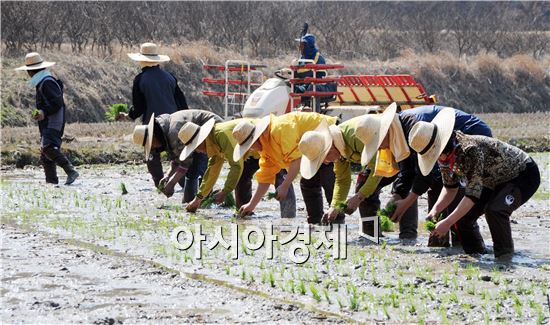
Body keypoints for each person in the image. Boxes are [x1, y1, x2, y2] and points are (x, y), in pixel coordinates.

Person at [408, 110, 540, 258]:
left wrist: (447, 222)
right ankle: (477, 254)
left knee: (495, 210)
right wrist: (435, 211)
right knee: (463, 220)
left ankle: (504, 258)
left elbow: (471, 195)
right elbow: (450, 188)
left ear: (441, 147)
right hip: (491, 179)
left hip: (522, 173)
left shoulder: (469, 149)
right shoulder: (445, 158)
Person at [388, 105, 492, 242]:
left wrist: (407, 202)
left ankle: (463, 242)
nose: (381, 147)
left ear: (386, 133)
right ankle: (439, 239)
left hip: (471, 132)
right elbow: (408, 170)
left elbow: (426, 174)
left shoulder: (414, 126)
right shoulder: (399, 132)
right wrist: (397, 194)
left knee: (455, 188)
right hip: (443, 146)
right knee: (442, 181)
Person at [300, 104, 409, 232]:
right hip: (380, 159)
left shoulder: (356, 137)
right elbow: (342, 180)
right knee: (363, 187)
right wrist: (334, 206)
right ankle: (371, 235)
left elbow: (376, 170)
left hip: (397, 147)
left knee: (404, 184)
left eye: (323, 159)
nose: (325, 163)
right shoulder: (338, 151)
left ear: (329, 148)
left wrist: (359, 197)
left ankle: (408, 234)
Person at [233, 112, 337, 222]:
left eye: (250, 146)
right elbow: (265, 178)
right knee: (308, 183)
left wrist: (285, 185)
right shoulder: (266, 149)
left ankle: (337, 219)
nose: (251, 149)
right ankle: (316, 222)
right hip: (313, 149)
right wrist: (251, 205)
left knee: (328, 178)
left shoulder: (279, 129)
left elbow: (296, 159)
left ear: (256, 138)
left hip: (327, 135)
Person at [122, 42, 190, 187]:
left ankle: (160, 184)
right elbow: (182, 103)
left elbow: (139, 107)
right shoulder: (170, 77)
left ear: (141, 60)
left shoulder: (140, 79)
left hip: (152, 123)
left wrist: (130, 115)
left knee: (152, 155)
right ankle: (184, 185)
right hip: (174, 122)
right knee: (178, 156)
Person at [15, 52, 79, 185]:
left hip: (53, 122)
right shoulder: (43, 81)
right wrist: (41, 113)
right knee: (45, 156)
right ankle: (51, 183)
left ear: (32, 71)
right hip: (49, 122)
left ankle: (70, 170)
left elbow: (57, 103)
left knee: (48, 148)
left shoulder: (47, 82)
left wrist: (43, 112)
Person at [132, 109, 222, 202]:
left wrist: (172, 183)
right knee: (194, 170)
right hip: (198, 133)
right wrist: (168, 176)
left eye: (152, 144)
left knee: (196, 168)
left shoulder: (173, 133)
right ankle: (199, 200)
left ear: (154, 135)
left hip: (211, 128)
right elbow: (177, 158)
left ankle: (202, 201)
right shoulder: (164, 130)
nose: (153, 147)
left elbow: (186, 162)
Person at [179, 119, 245, 212]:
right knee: (243, 179)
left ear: (201, 140)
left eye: (196, 147)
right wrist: (198, 199)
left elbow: (236, 166)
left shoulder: (221, 136)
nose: (198, 151)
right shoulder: (213, 143)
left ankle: (245, 215)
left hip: (263, 143)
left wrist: (225, 192)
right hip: (251, 153)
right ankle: (244, 214)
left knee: (243, 178)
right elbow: (212, 172)